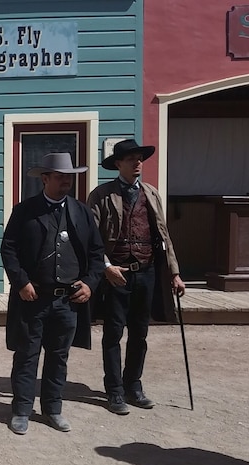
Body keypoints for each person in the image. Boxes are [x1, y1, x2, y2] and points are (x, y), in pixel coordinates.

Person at [0, 152, 105, 434]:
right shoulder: (24, 211)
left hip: (67, 300)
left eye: (69, 178)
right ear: (44, 179)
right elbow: (8, 249)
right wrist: (20, 281)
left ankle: (53, 408)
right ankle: (21, 409)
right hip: (32, 298)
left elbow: (96, 253)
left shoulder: (81, 212)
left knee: (59, 356)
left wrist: (90, 283)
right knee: (27, 355)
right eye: (60, 177)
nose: (66, 183)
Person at [87, 139, 185, 415]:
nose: (137, 163)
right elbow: (90, 239)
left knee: (140, 333)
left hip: (148, 273)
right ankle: (114, 391)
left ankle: (134, 385)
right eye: (131, 159)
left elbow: (164, 236)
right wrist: (106, 267)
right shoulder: (102, 195)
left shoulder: (151, 194)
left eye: (140, 158)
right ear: (118, 164)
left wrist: (174, 273)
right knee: (113, 334)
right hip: (117, 275)